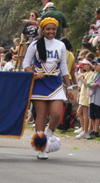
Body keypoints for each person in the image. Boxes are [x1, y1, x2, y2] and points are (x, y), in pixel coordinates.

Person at [22, 17, 74, 159]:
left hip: (56, 83)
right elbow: (25, 63)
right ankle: (40, 147)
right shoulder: (34, 45)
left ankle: (49, 133)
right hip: (39, 84)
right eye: (48, 29)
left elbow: (64, 67)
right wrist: (33, 73)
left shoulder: (61, 45)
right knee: (41, 115)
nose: (51, 31)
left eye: (53, 29)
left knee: (57, 113)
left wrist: (69, 87)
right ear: (42, 30)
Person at [86, 58, 100, 139]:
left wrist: (97, 85)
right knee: (92, 115)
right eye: (94, 64)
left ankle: (96, 131)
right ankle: (93, 130)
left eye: (97, 64)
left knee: (97, 114)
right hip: (92, 97)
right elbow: (89, 83)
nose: (95, 66)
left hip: (98, 97)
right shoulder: (94, 74)